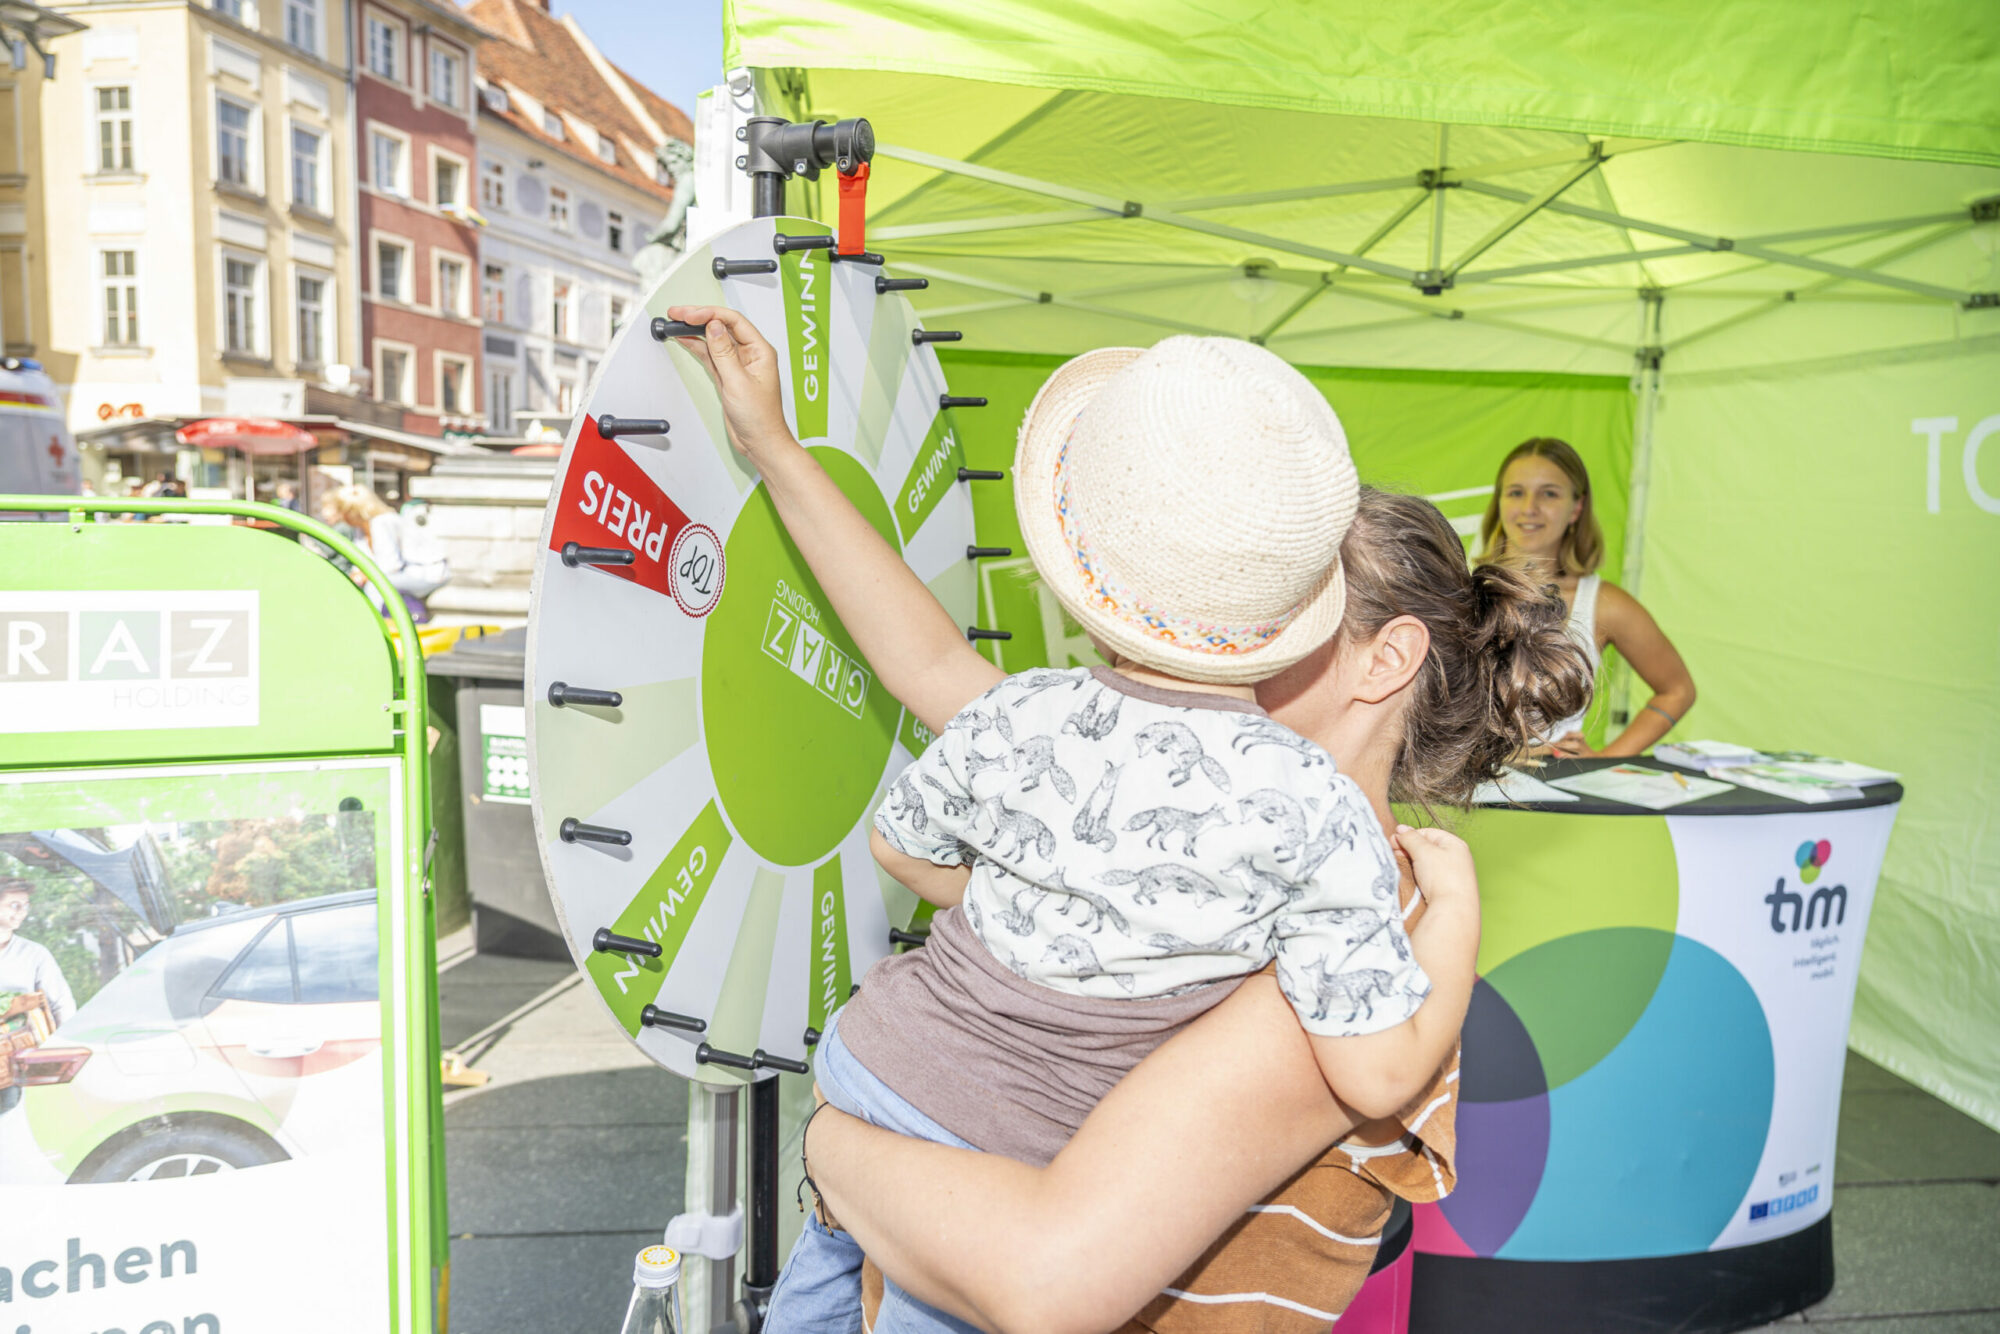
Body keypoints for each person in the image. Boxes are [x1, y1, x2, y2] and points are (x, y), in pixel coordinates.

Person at [666, 305, 1592, 1333]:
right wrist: (774, 448)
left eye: (1276, 602)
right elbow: (929, 661)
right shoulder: (1159, 775)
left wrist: (831, 1149)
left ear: (1385, 658)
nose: (1212, 621)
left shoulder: (1359, 916)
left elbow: (1046, 1279)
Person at [1474, 437, 1696, 757]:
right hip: (1463, 793)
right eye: (1516, 492)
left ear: (1576, 507)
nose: (1529, 508)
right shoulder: (1458, 588)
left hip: (1554, 795)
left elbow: (1678, 690)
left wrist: (1605, 761)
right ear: (1499, 502)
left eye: (1549, 493)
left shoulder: (1604, 604)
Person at [319, 483, 451, 615]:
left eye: (342, 512)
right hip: (402, 573)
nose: (341, 518)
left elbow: (390, 566)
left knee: (374, 587)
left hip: (426, 573)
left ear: (351, 512)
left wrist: (364, 576)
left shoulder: (382, 522)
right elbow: (362, 561)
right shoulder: (360, 530)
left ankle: (377, 627)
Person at [0, 880, 75, 1029]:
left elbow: (62, 1005)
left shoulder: (34, 954)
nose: (22, 912)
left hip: (21, 1046)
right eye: (15, 906)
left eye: (26, 906)